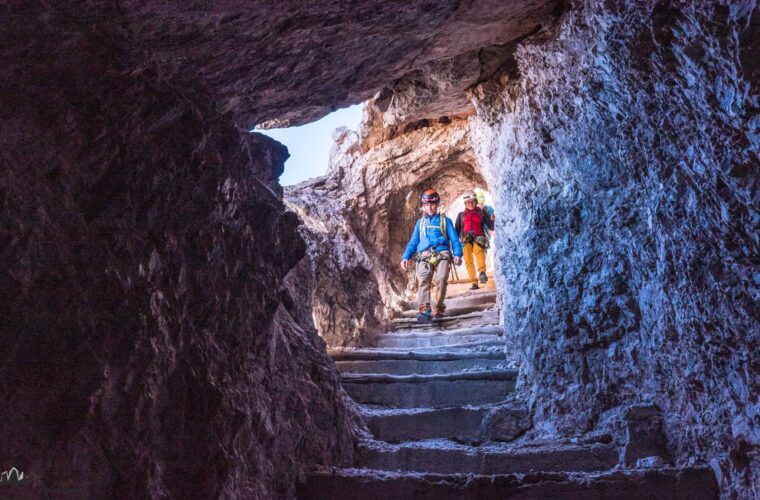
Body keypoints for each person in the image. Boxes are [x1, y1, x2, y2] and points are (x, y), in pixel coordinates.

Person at [401, 189, 463, 323]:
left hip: (442, 253)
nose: (429, 207)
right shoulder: (420, 223)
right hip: (424, 254)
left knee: (441, 278)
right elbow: (414, 242)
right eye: (427, 205)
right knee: (424, 279)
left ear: (437, 204)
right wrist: (406, 256)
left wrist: (457, 254)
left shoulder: (445, 221)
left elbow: (454, 239)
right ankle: (424, 310)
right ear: (423, 206)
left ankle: (439, 307)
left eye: (432, 204)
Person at [455, 190, 495, 290]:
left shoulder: (482, 213)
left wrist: (493, 219)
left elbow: (491, 226)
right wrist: (455, 248)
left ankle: (482, 272)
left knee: (478, 249)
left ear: (476, 201)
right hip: (466, 239)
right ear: (465, 203)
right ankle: (474, 282)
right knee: (468, 258)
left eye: (473, 201)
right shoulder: (461, 215)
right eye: (468, 202)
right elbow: (456, 232)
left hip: (479, 237)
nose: (471, 204)